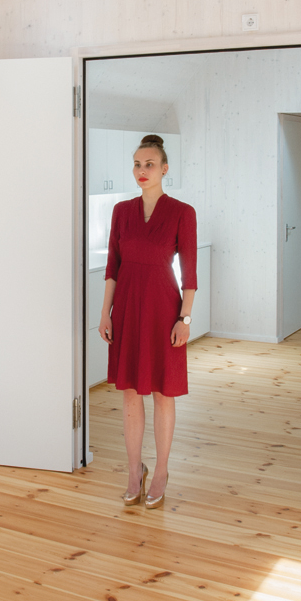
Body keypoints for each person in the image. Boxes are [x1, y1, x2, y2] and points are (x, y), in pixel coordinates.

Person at [98, 134, 197, 509]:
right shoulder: (121, 211)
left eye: (150, 164)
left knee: (162, 391)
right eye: (137, 164)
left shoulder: (182, 212)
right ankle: (132, 469)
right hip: (126, 307)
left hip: (163, 309)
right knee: (129, 392)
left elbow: (190, 273)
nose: (142, 171)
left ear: (164, 168)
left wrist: (184, 318)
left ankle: (161, 471)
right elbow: (112, 267)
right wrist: (105, 312)